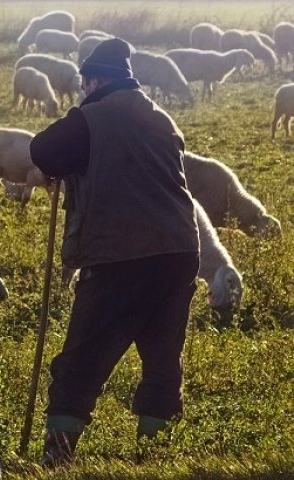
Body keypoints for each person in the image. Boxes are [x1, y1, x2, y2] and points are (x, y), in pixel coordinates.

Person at [29, 38, 200, 467]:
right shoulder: (161, 117)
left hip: (121, 254)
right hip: (179, 251)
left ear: (93, 80)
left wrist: (77, 118)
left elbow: (43, 150)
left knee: (83, 356)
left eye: (84, 84)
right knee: (163, 357)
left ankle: (57, 457)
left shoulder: (93, 116)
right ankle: (154, 457)